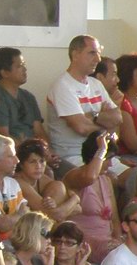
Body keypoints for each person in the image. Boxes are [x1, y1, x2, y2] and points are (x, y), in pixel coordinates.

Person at [45, 35, 119, 167]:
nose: (98, 59)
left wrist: (93, 116)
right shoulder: (63, 86)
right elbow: (82, 128)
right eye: (92, 53)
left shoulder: (96, 84)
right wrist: (105, 128)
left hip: (102, 153)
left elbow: (118, 118)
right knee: (107, 177)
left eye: (98, 53)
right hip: (73, 156)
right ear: (75, 55)